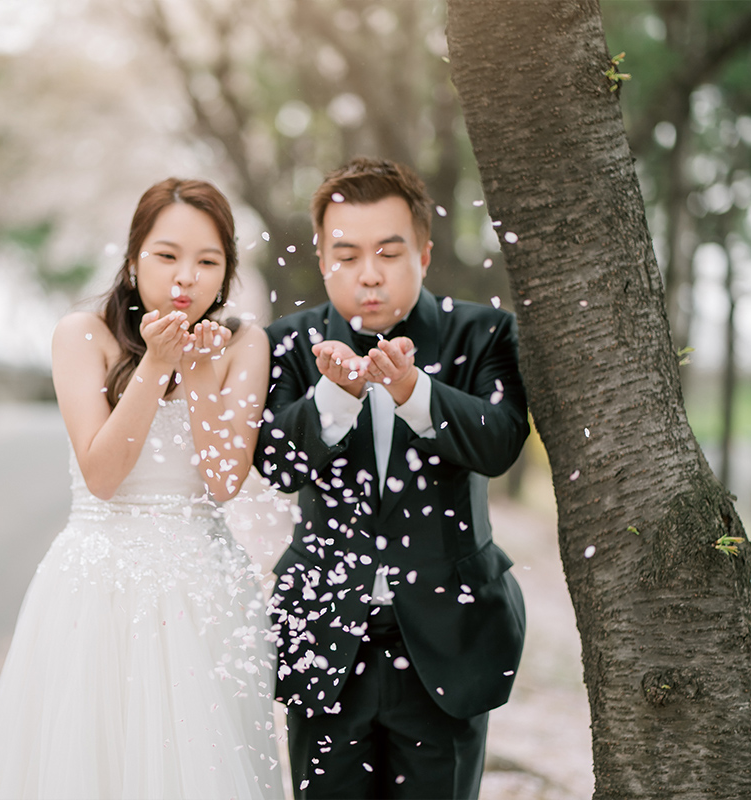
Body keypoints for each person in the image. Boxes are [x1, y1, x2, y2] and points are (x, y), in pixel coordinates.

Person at [0, 178, 282, 800]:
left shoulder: (244, 343)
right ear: (134, 259)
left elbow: (224, 483)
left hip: (205, 593)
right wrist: (156, 365)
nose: (185, 277)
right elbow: (103, 475)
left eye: (207, 262)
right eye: (166, 256)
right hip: (98, 587)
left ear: (227, 272)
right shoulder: (81, 335)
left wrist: (194, 369)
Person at [258, 157, 530, 799]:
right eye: (346, 255)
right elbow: (276, 463)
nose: (369, 274)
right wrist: (334, 398)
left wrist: (414, 391)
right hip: (327, 638)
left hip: (447, 638)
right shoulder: (290, 344)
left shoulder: (484, 332)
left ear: (425, 253)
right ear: (323, 259)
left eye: (388, 251)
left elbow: (498, 443)